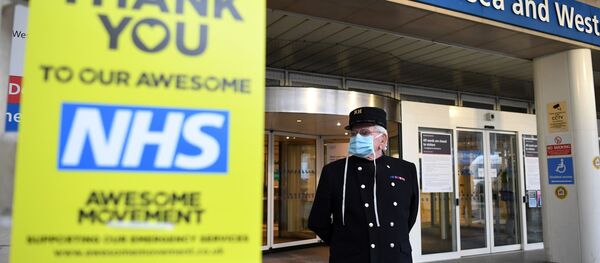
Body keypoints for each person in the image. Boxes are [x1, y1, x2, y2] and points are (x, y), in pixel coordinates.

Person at [308, 107, 419, 263]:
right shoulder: (334, 172)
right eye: (354, 134)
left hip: (395, 257)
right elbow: (317, 221)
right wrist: (344, 242)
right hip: (350, 258)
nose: (357, 138)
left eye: (365, 133)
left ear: (383, 139)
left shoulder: (405, 169)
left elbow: (409, 216)